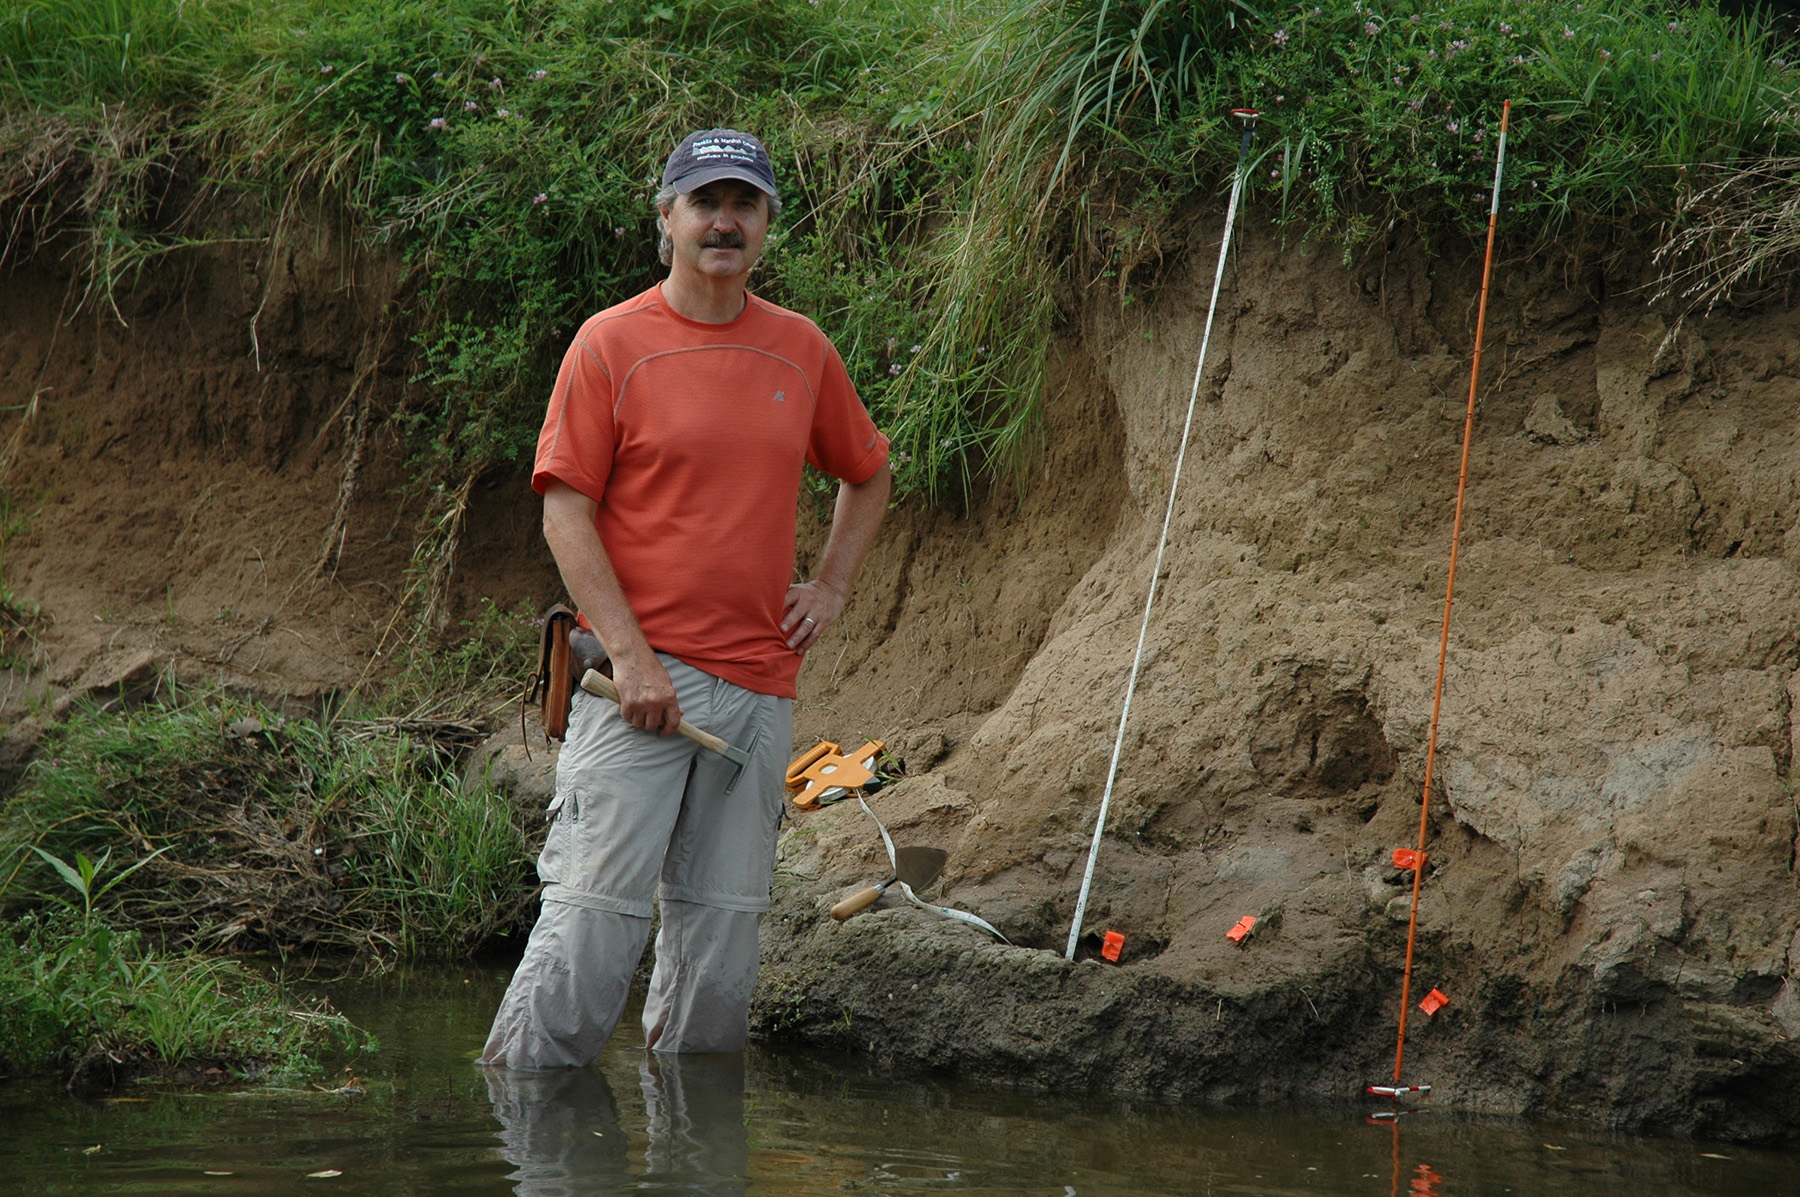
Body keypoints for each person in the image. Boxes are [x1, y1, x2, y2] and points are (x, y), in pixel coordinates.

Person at [482, 128, 891, 1067]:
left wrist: (830, 585)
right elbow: (565, 513)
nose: (724, 222)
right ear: (667, 217)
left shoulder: (801, 349)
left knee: (720, 948)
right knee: (589, 923)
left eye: (745, 204)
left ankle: (699, 1137)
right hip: (631, 689)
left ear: (767, 224)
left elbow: (868, 472)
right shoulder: (610, 343)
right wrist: (633, 660)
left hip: (757, 697)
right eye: (705, 202)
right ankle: (527, 1122)